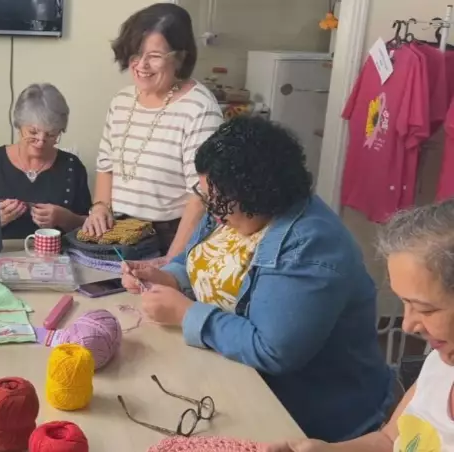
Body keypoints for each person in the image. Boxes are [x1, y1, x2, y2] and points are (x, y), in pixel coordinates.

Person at [121, 117, 394, 442]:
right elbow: (200, 259)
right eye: (207, 196)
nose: (213, 211)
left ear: (258, 194)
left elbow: (274, 349)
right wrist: (169, 277)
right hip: (237, 378)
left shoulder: (312, 245)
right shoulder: (231, 208)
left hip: (316, 420)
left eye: (219, 201)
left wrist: (185, 314)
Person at [269, 200, 454, 451]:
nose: (408, 325)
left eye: (426, 309)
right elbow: (389, 440)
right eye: (405, 304)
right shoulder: (439, 366)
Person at [82, 3, 223, 258]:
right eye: (136, 54)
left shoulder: (199, 108)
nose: (142, 65)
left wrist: (172, 262)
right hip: (120, 234)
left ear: (180, 57)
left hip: (169, 239)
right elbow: (106, 165)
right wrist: (100, 207)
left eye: (155, 56)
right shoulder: (121, 101)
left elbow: (202, 195)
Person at [0, 83, 92, 238]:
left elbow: (90, 225)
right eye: (33, 132)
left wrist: (66, 219)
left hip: (57, 257)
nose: (40, 141)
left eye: (51, 135)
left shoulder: (72, 167)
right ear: (18, 125)